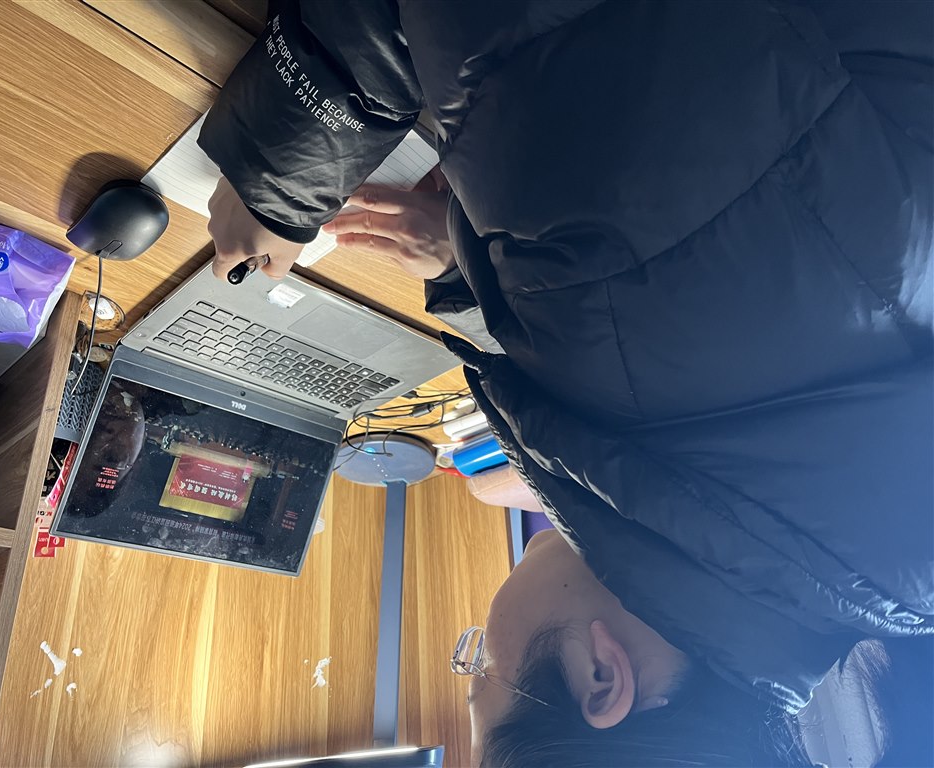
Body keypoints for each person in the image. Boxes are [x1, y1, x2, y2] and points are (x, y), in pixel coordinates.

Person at [197, 1, 934, 764]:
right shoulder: (637, 309)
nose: (479, 649)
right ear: (602, 677)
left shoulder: (849, 551)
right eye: (484, 671)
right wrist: (275, 181)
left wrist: (468, 267)